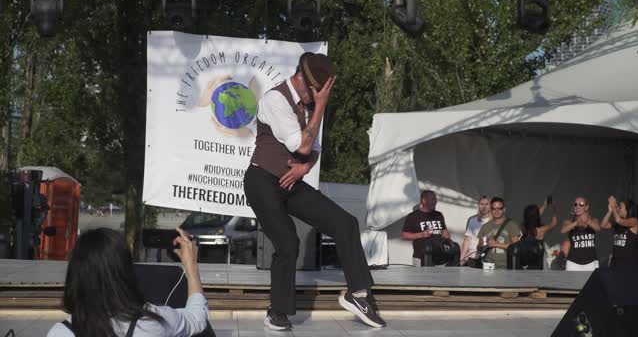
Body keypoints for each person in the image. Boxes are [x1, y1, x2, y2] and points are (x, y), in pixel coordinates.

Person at [243, 52, 385, 330]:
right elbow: (302, 146)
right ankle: (277, 311)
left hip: (290, 182)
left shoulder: (308, 105)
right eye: (315, 93)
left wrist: (303, 170)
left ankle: (358, 294)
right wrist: (320, 107)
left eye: (319, 95)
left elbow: (314, 152)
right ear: (300, 80)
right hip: (261, 180)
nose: (316, 98)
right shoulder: (275, 99)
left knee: (346, 223)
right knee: (287, 242)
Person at [46, 228, 208, 337]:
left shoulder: (60, 332)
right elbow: (197, 319)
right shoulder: (153, 322)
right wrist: (191, 266)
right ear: (125, 271)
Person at [401, 190, 459, 267]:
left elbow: (445, 232)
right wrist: (421, 234)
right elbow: (404, 235)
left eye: (435, 199)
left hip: (440, 257)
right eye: (432, 199)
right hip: (421, 257)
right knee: (423, 279)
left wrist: (449, 242)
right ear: (423, 200)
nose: (435, 201)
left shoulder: (439, 215)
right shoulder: (413, 216)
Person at [476, 197, 521, 268]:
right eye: (494, 208)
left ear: (504, 209)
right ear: (490, 210)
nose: (496, 211)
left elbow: (516, 248)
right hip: (488, 265)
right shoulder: (485, 227)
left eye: (499, 208)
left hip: (505, 266)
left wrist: (496, 244)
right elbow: (479, 249)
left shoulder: (512, 225)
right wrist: (480, 245)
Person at [560, 196, 601, 271]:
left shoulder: (594, 220)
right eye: (576, 204)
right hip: (573, 263)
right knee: (571, 283)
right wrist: (576, 222)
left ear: (586, 207)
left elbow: (598, 228)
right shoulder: (569, 221)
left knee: (593, 283)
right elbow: (563, 230)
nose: (578, 206)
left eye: (581, 204)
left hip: (591, 263)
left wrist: (587, 221)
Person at [518, 200, 558, 269]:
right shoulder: (540, 230)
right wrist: (554, 210)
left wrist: (544, 205)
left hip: (526, 261)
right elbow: (553, 223)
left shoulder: (523, 227)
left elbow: (533, 216)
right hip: (538, 261)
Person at [601, 196, 638, 267]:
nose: (618, 208)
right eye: (618, 206)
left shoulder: (634, 221)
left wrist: (614, 207)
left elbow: (619, 220)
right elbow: (603, 225)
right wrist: (610, 211)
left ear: (628, 209)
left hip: (628, 264)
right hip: (615, 262)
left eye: (620, 207)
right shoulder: (617, 223)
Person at [460, 196, 491, 265]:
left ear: (490, 206)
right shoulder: (472, 219)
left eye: (486, 204)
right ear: (478, 205)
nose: (484, 207)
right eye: (481, 204)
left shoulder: (495, 221)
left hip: (488, 257)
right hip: (472, 256)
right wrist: (461, 259)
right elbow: (467, 240)